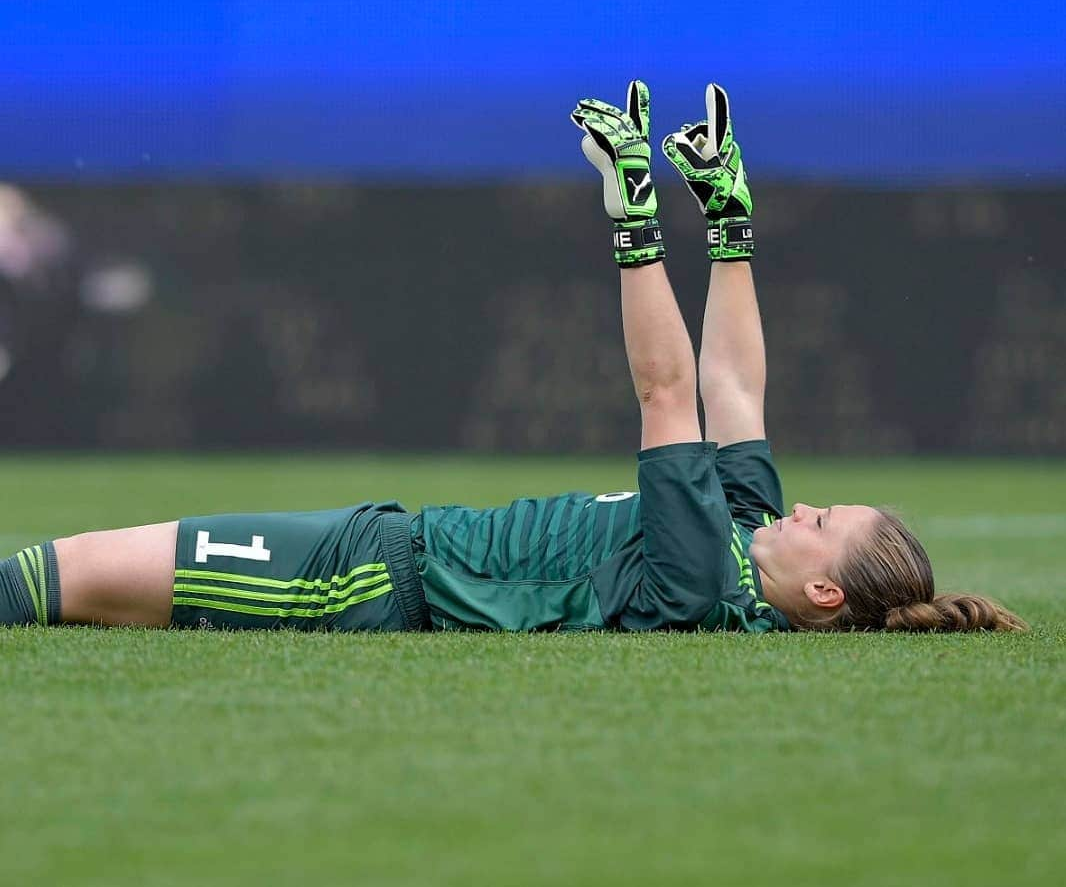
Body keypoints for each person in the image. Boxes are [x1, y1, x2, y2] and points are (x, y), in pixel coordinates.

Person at [0, 83, 1026, 635]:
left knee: (77, 572)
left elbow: (667, 392)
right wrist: (727, 224)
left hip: (364, 580)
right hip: (382, 547)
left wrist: (632, 217)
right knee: (77, 573)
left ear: (824, 595)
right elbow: (734, 387)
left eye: (824, 525)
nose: (807, 508)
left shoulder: (702, 576)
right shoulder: (747, 528)